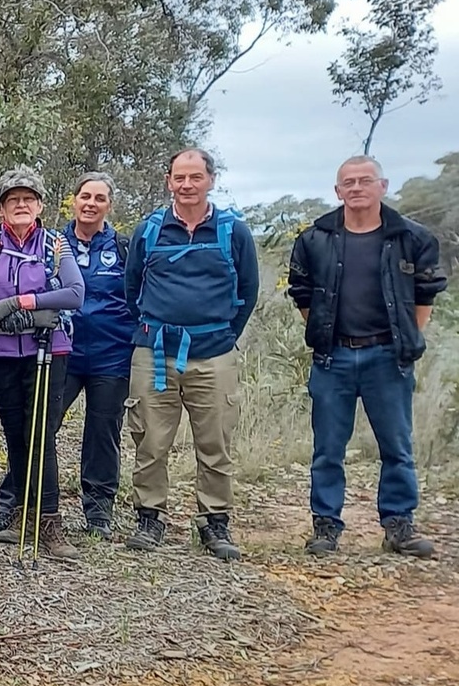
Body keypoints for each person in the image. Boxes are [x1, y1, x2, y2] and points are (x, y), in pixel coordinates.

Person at [288, 155, 447, 558]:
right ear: (337, 191)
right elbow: (302, 294)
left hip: (387, 358)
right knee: (328, 448)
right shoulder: (315, 238)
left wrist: (405, 338)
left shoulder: (413, 238)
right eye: (348, 183)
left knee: (396, 445)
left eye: (365, 181)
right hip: (333, 357)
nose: (356, 188)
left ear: (383, 185)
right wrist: (325, 332)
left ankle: (399, 524)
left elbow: (425, 294)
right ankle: (326, 526)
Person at [123, 148, 259, 561]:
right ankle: (150, 516)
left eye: (195, 177)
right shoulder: (149, 230)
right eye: (179, 178)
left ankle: (214, 522)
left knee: (215, 441)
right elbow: (133, 290)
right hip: (154, 352)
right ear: (169, 181)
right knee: (150, 439)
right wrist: (155, 328)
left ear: (210, 180)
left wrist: (220, 336)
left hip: (213, 355)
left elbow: (247, 292)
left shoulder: (233, 230)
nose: (186, 185)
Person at [0, 167, 84, 560]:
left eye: (28, 199)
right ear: (2, 207)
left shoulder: (55, 245)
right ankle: (24, 514)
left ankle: (51, 523)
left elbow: (74, 294)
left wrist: (28, 305)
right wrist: (1, 314)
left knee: (40, 436)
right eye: (12, 200)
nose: (21, 205)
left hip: (47, 352)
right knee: (15, 434)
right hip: (1, 355)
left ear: (40, 205)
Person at [59, 173, 135, 538]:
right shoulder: (54, 244)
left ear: (109, 205)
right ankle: (22, 500)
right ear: (74, 200)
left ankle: (99, 510)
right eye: (85, 196)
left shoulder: (123, 246)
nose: (91, 203)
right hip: (64, 352)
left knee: (103, 433)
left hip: (112, 354)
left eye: (99, 198)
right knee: (40, 426)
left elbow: (138, 295)